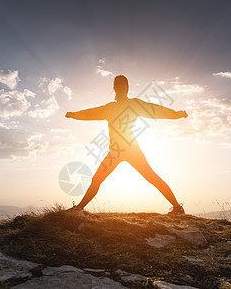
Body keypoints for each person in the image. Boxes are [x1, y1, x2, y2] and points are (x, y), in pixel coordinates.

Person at [65, 75, 188, 215]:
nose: (121, 87)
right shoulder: (109, 108)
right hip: (115, 152)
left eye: (123, 85)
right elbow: (90, 113)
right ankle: (79, 208)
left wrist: (176, 114)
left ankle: (177, 207)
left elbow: (156, 110)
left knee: (152, 177)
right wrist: (74, 115)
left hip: (132, 150)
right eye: (118, 85)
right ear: (114, 88)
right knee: (97, 179)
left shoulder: (134, 104)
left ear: (127, 88)